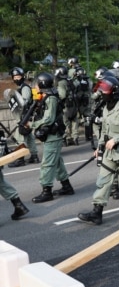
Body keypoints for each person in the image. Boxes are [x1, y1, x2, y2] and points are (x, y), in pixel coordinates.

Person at [77, 76, 119, 225]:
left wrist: (116, 139)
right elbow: (104, 131)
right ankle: (97, 212)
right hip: (109, 154)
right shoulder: (105, 108)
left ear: (113, 92)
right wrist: (99, 147)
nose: (102, 93)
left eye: (105, 90)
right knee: (103, 181)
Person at [29, 72, 75, 203]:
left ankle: (46, 191)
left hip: (53, 134)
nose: (35, 87)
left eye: (37, 84)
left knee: (47, 164)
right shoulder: (46, 96)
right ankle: (67, 186)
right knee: (57, 162)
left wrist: (32, 124)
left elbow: (48, 119)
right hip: (51, 135)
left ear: (42, 84)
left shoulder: (51, 98)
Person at [7, 67, 39, 167]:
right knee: (29, 137)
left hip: (24, 116)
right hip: (24, 116)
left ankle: (20, 159)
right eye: (15, 77)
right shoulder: (20, 88)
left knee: (20, 138)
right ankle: (34, 156)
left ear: (22, 76)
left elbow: (24, 102)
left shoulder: (25, 88)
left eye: (18, 76)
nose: (17, 78)